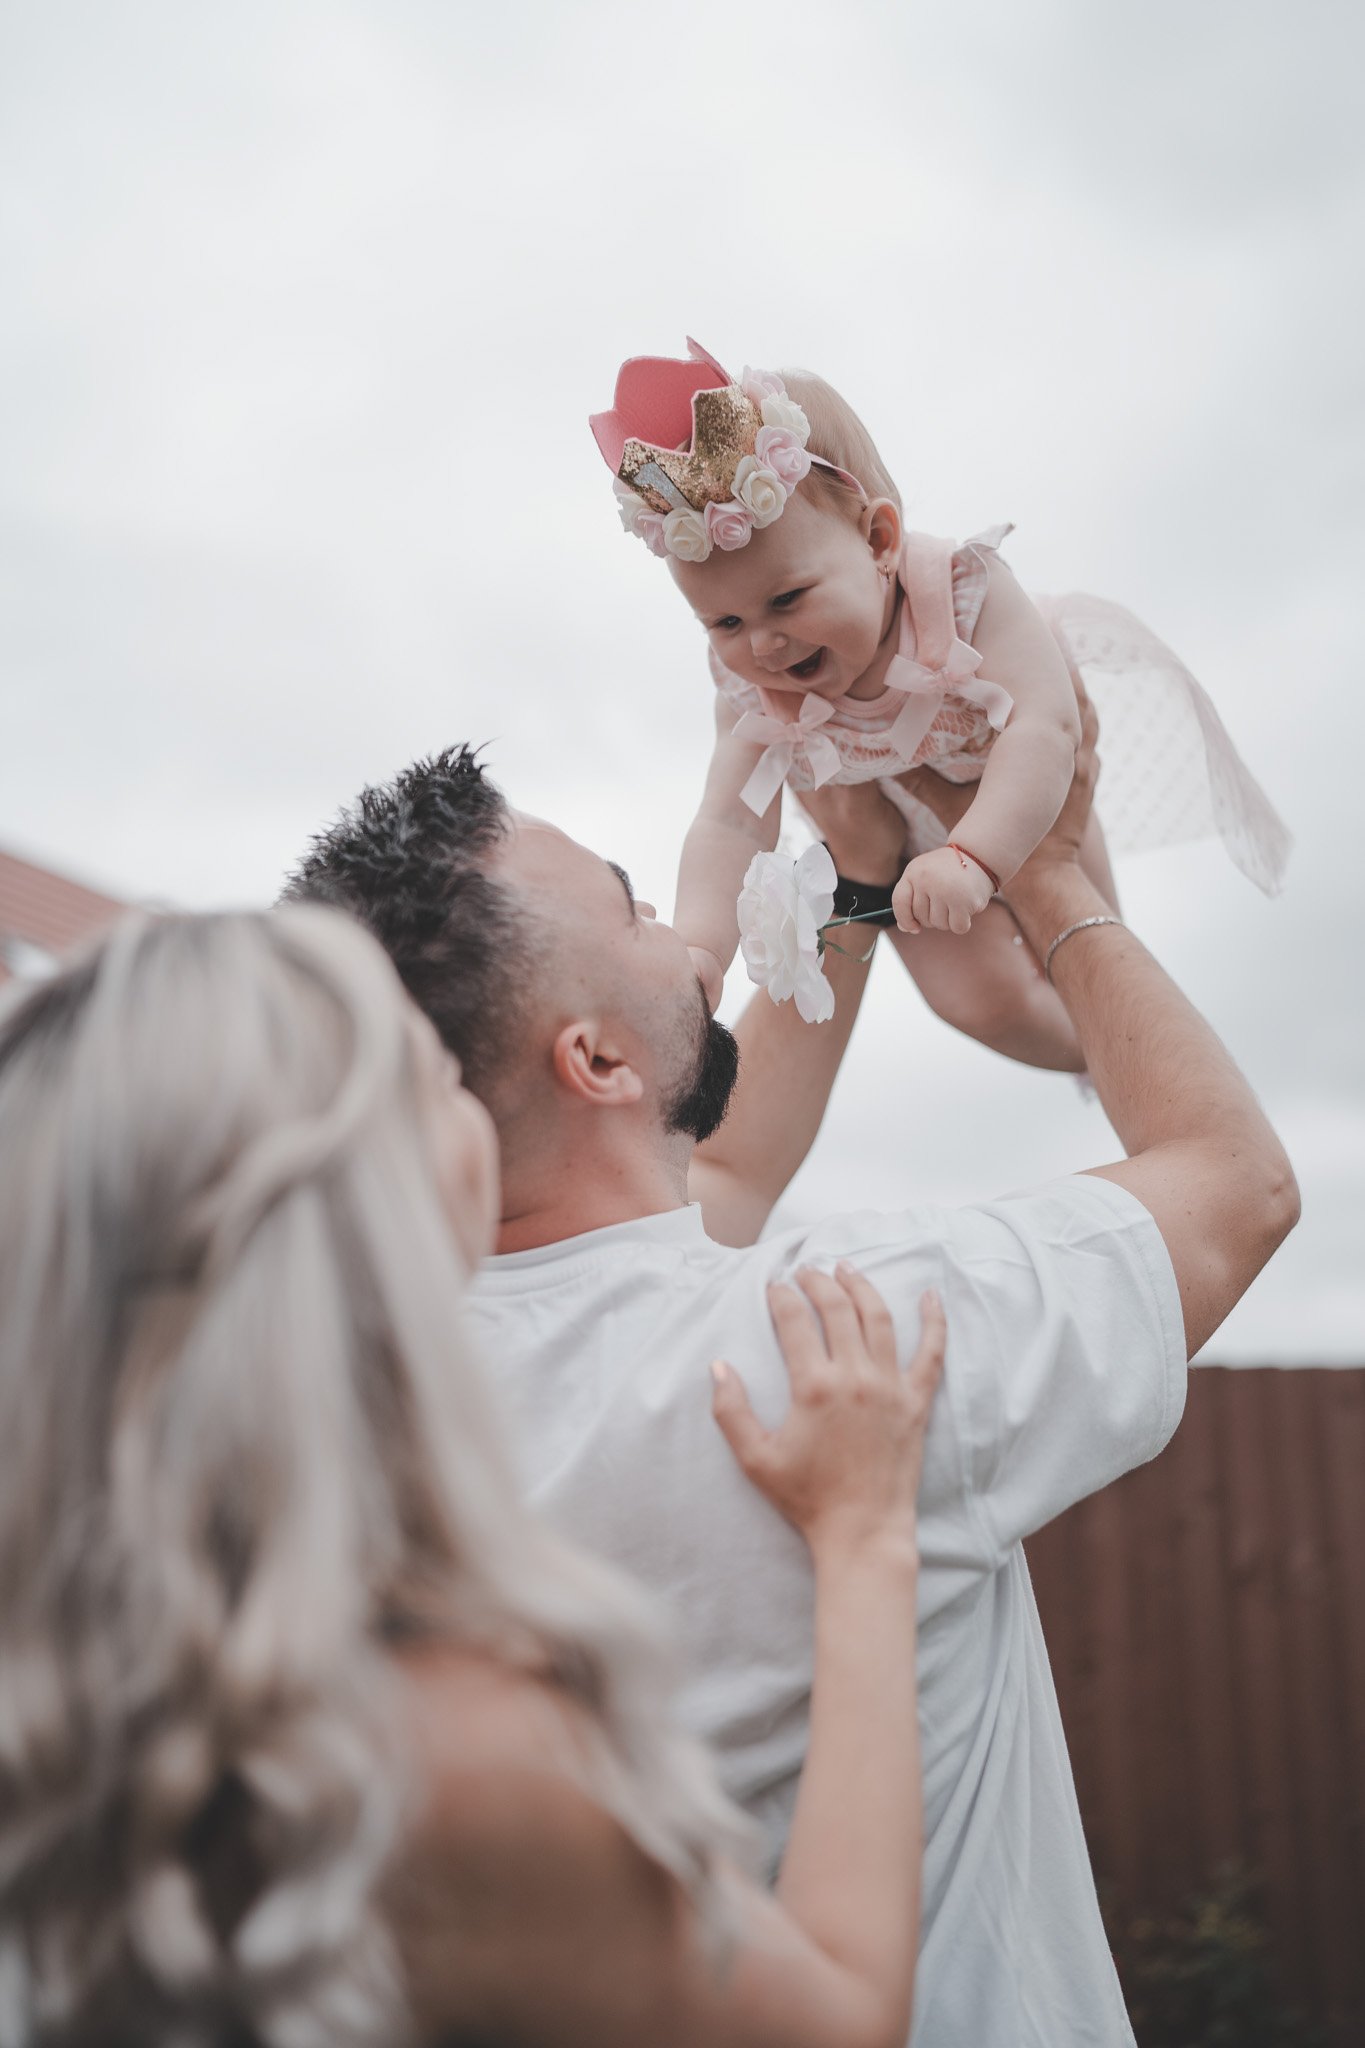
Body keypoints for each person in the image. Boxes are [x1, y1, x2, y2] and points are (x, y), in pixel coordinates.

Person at [284, 706, 1298, 2047]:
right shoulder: (845, 1344)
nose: (672, 928)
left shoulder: (346, 1412)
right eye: (635, 908)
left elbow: (719, 1177)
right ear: (593, 1060)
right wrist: (1042, 861)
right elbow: (1235, 1188)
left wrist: (855, 891)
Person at [0, 902, 950, 2048]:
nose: (469, 1099)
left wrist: (840, 899)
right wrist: (863, 1540)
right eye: (427, 1076)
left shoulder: (67, 1662)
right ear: (352, 1206)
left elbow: (721, 1170)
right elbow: (841, 2019)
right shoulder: (445, 1755)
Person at [591, 338, 1291, 1066]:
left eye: (787, 599)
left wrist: (976, 858)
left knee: (1080, 941)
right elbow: (731, 820)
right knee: (974, 1003)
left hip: (1022, 800)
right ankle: (1095, 1059)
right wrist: (702, 946)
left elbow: (1042, 727)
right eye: (725, 623)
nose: (763, 645)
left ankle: (1140, 1047)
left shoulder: (961, 596)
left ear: (879, 540)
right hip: (903, 844)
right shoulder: (747, 690)